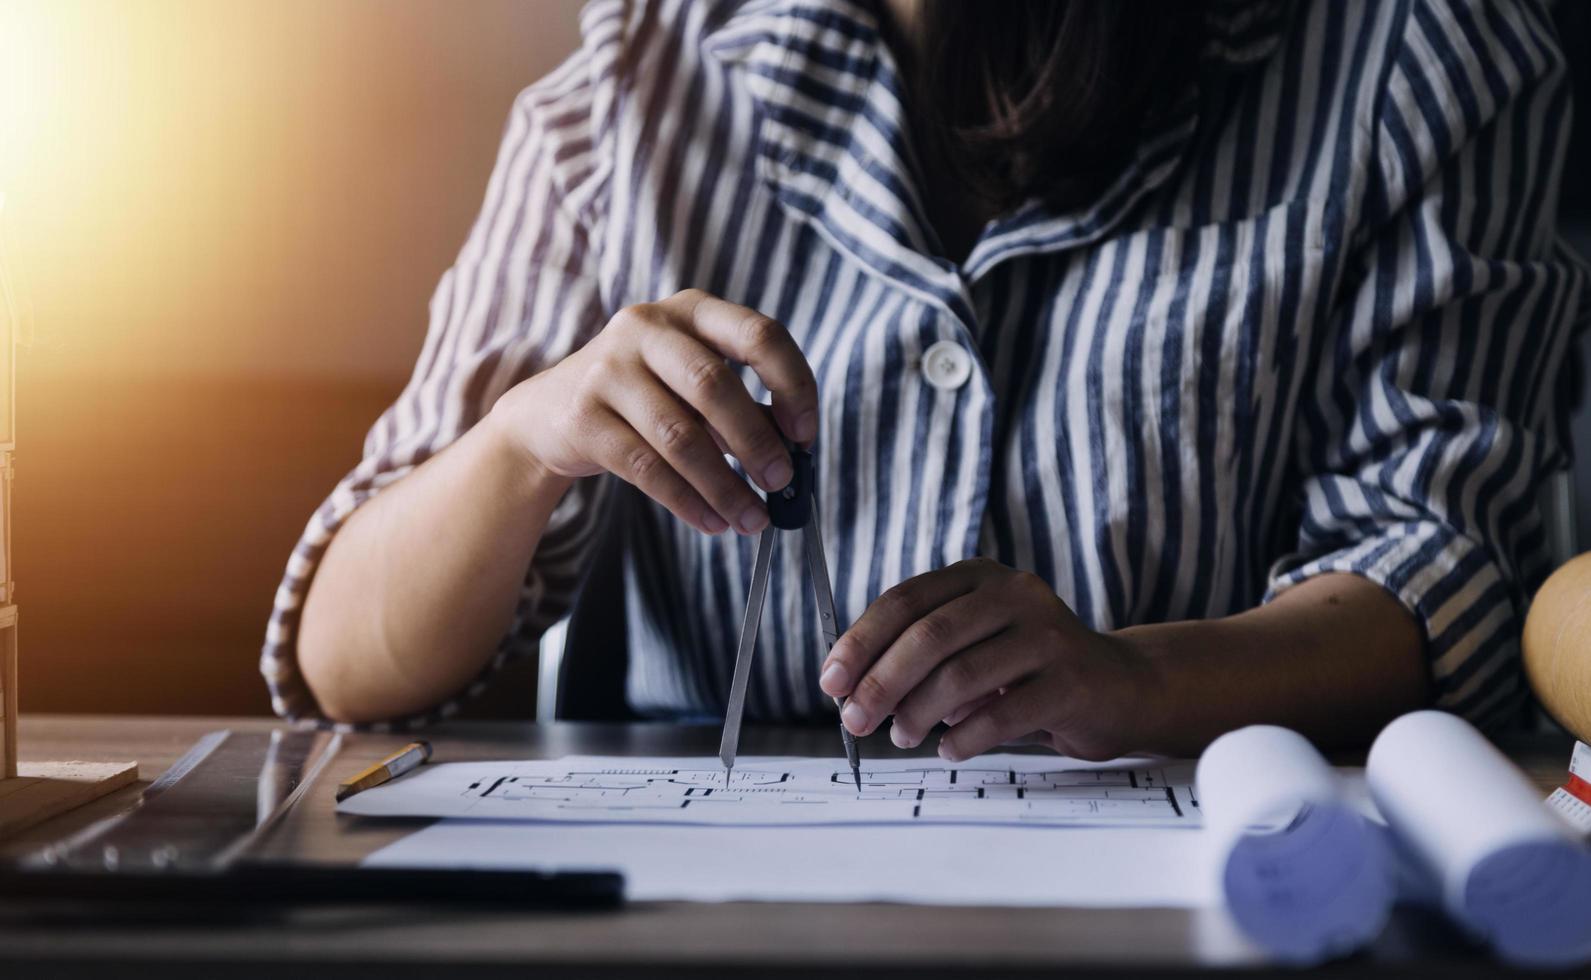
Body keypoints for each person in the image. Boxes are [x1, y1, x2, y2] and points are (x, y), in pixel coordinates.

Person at [262, 0, 1586, 760]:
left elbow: (1444, 582)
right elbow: (345, 663)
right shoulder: (632, 80)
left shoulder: (1422, 54)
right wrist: (517, 445)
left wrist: (1135, 680)